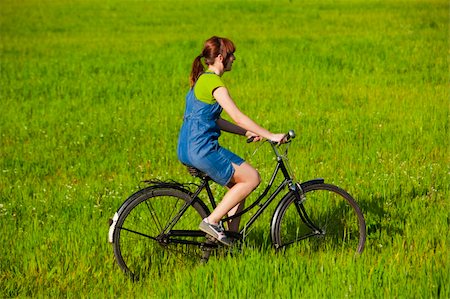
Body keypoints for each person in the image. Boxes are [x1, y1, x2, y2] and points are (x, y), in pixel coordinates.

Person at [177, 36, 286, 246]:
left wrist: (245, 133)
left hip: (187, 148)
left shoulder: (200, 80)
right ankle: (212, 221)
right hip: (202, 149)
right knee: (252, 178)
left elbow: (214, 120)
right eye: (231, 54)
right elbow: (237, 116)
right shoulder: (214, 84)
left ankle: (232, 242)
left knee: (239, 184)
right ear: (220, 57)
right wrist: (271, 135)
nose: (234, 58)